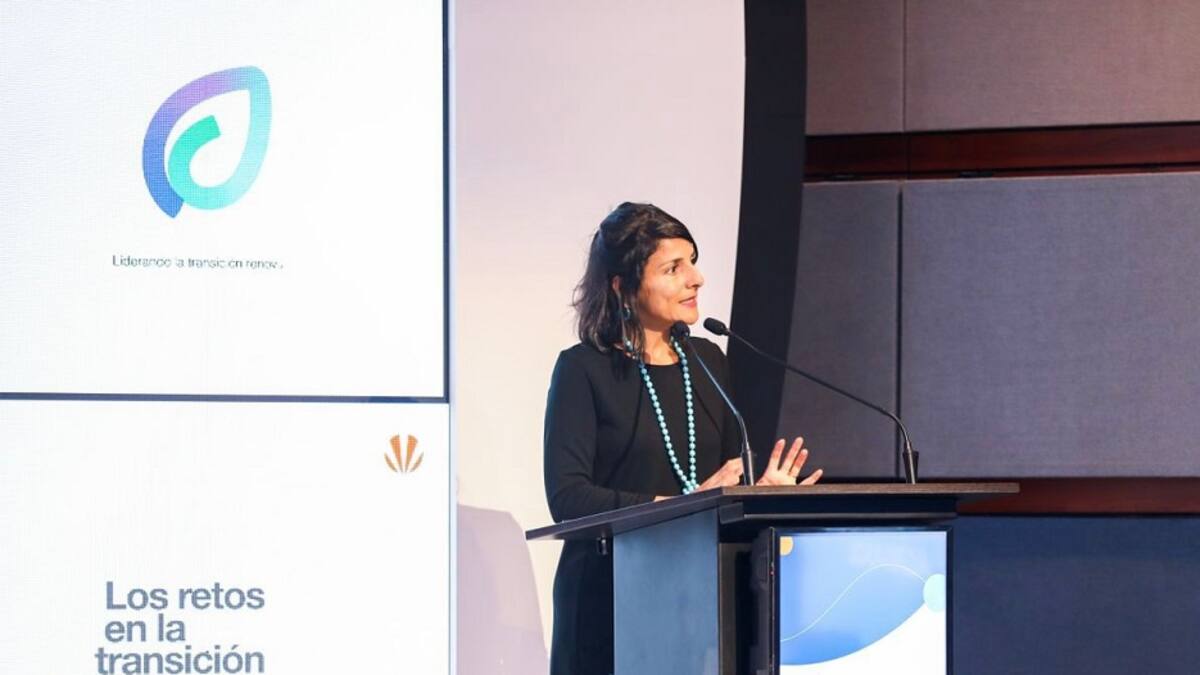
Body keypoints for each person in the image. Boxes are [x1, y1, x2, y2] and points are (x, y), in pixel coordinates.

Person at [543, 202, 822, 675]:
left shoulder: (708, 362)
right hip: (610, 600)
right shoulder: (582, 369)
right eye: (673, 268)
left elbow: (724, 481)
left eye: (692, 261)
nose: (696, 279)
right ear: (623, 287)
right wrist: (684, 506)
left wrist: (759, 494)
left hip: (696, 599)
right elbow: (568, 498)